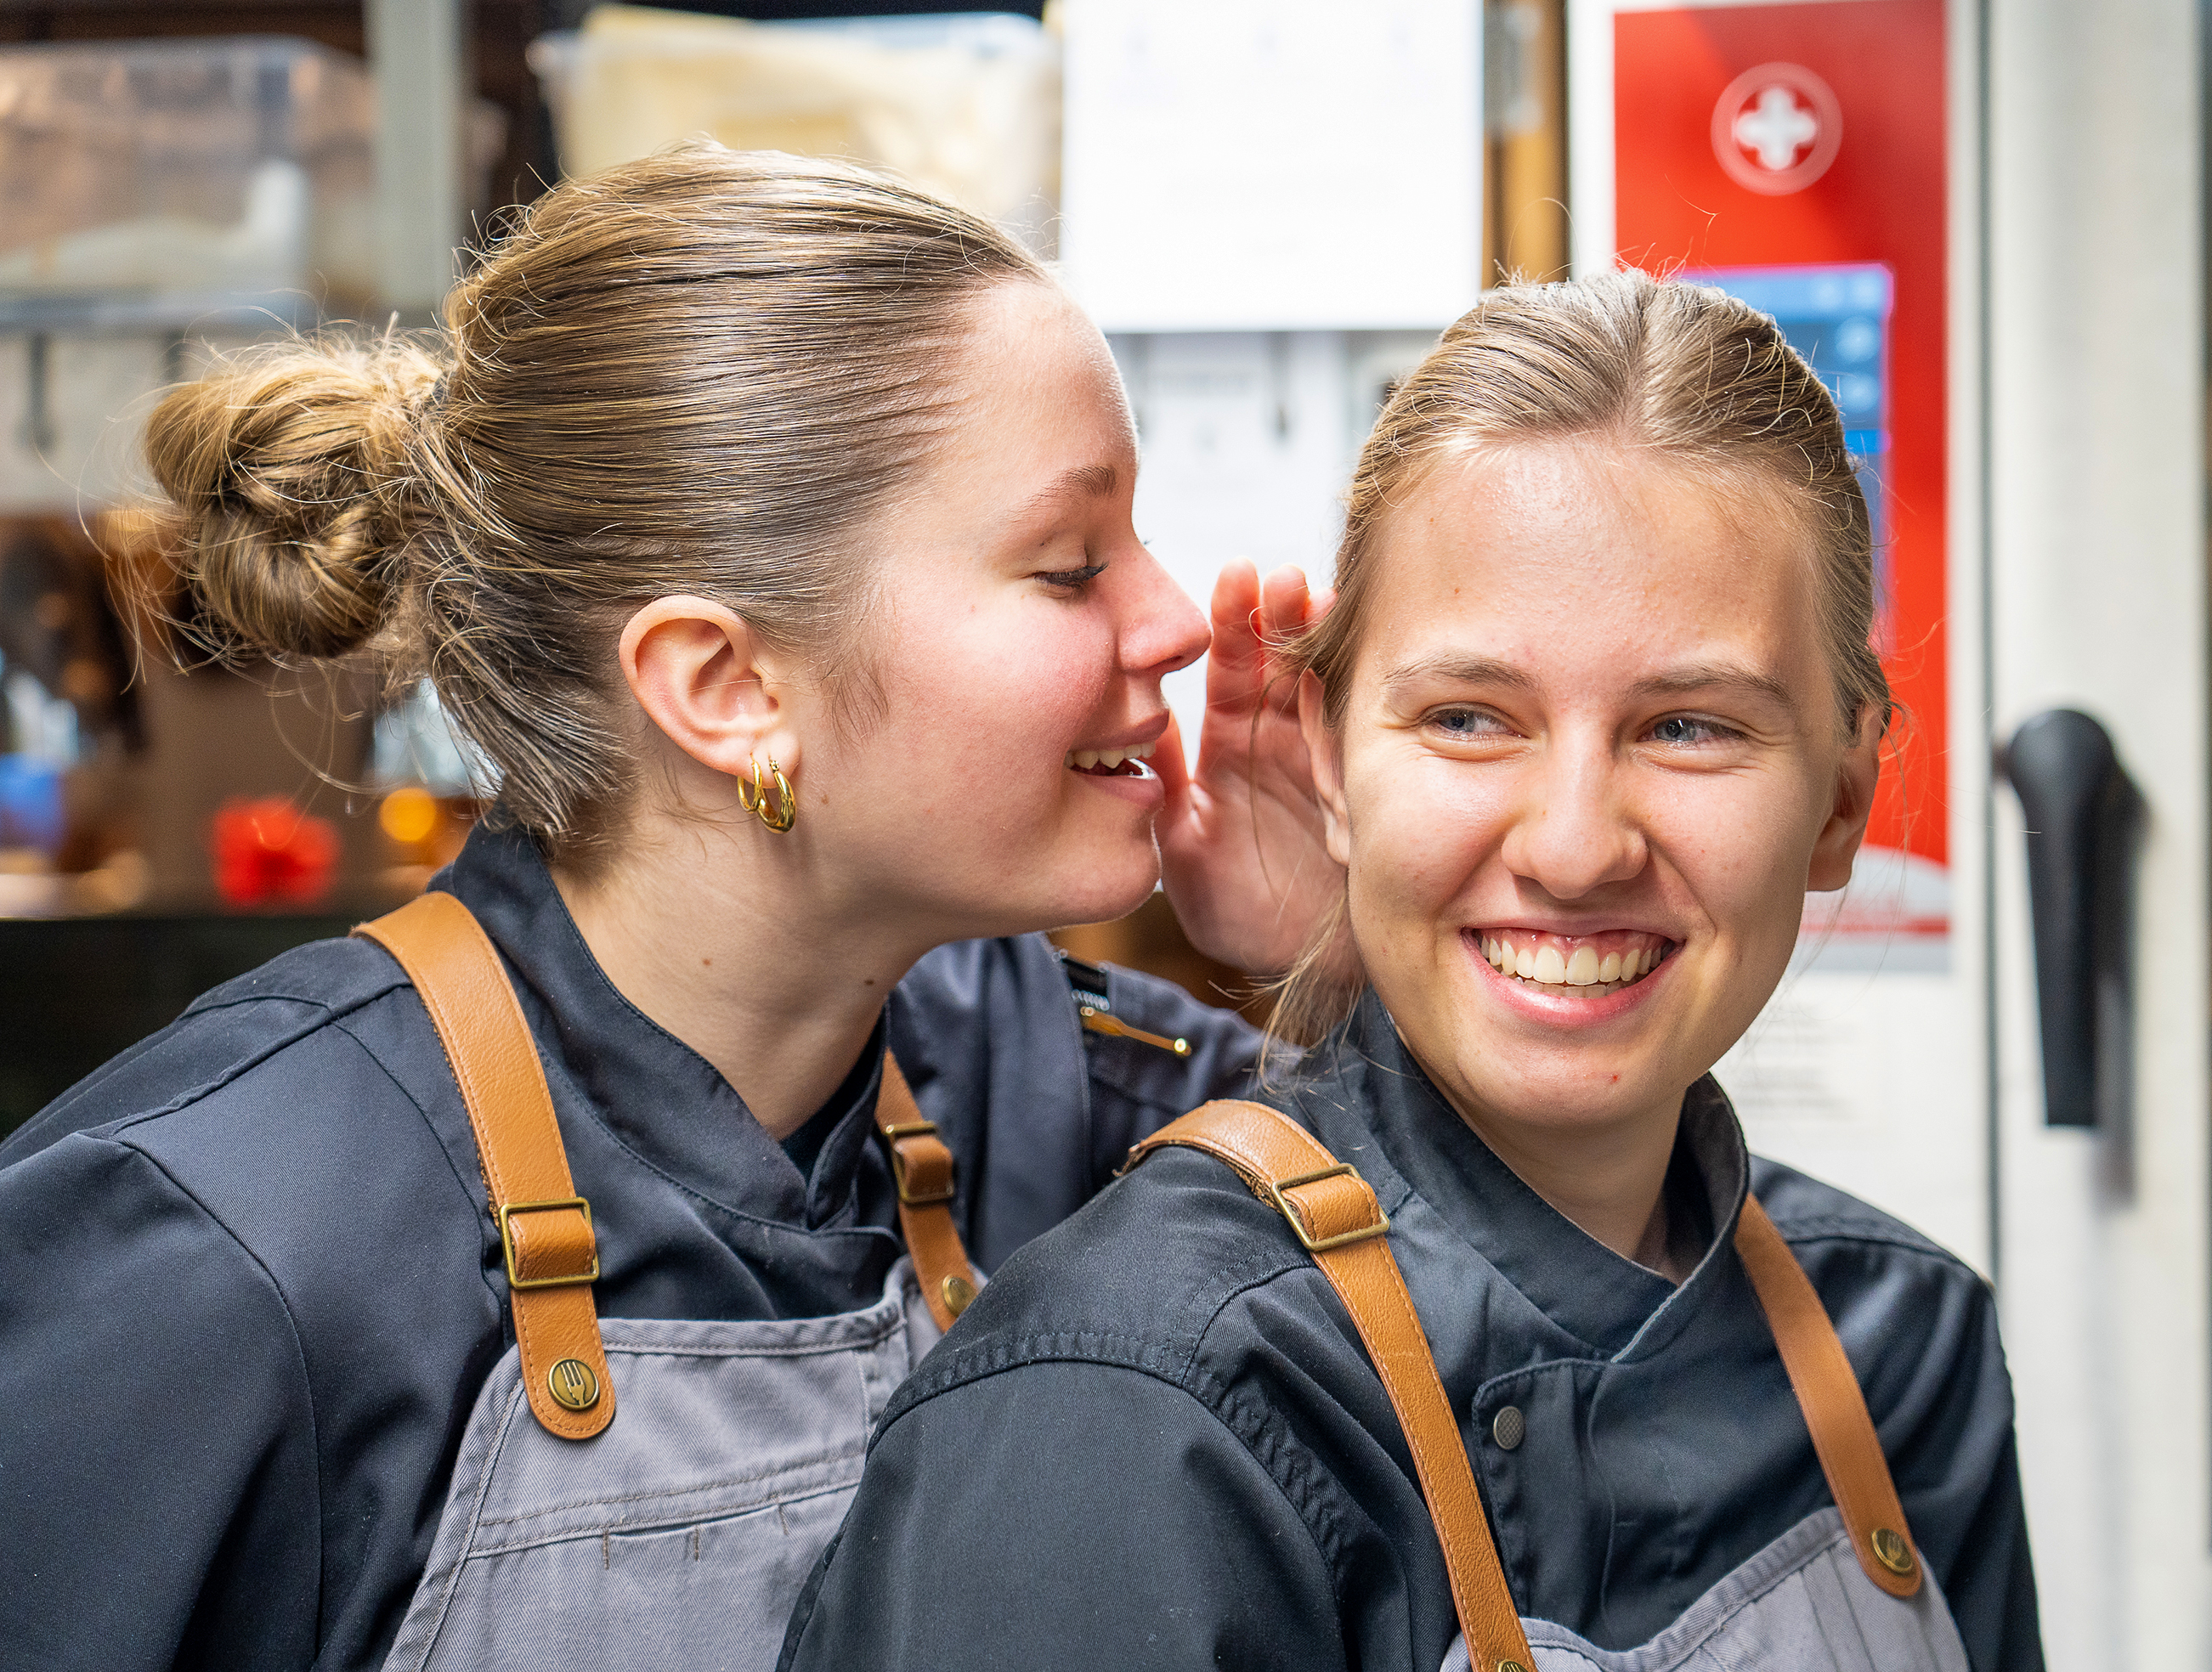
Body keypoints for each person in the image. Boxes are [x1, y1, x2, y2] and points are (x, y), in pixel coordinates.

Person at [0, 145, 1331, 1672]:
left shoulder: (1060, 1094)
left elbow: (1517, 1352)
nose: (1169, 617)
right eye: (1067, 563)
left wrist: (1323, 963)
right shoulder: (212, 1242)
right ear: (727, 689)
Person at [786, 270, 2044, 1672]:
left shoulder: (1903, 1342)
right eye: (1467, 717)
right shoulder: (1128, 1410)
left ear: (1840, 798)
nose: (1574, 849)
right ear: (1326, 757)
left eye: (1688, 727)